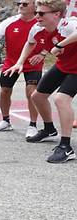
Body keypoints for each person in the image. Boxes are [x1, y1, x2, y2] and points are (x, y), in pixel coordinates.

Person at [5, 0, 77, 163]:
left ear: (56, 14)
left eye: (41, 13)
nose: (36, 16)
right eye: (36, 12)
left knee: (61, 99)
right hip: (63, 65)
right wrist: (19, 62)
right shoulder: (37, 28)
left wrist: (60, 44)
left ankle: (66, 147)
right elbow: (30, 43)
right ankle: (49, 129)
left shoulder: (68, 24)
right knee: (37, 96)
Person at [0, 0, 43, 137]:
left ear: (35, 6)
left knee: (31, 93)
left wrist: (41, 54)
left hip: (32, 63)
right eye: (18, 4)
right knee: (5, 90)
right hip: (11, 63)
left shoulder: (40, 22)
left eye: (25, 4)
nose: (20, 6)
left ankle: (33, 125)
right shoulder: (9, 22)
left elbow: (50, 40)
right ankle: (5, 121)